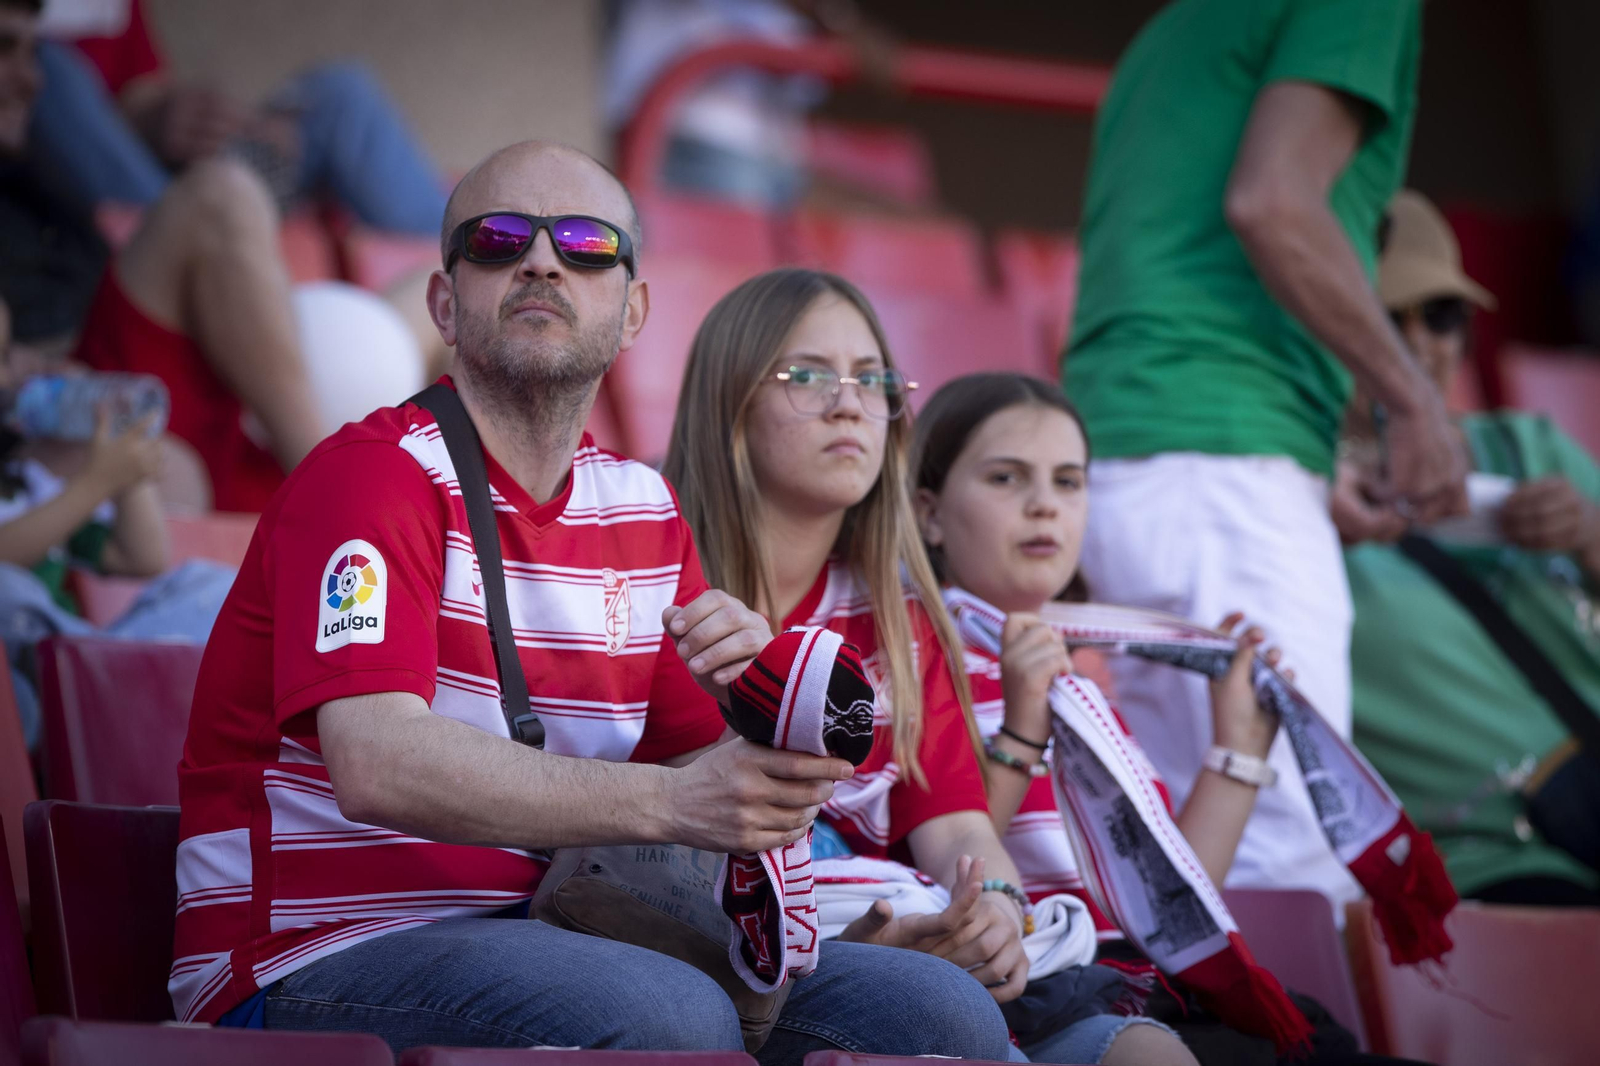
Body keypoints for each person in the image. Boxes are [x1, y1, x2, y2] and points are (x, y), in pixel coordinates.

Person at [171, 140, 1011, 1062]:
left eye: (585, 244)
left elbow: (705, 773)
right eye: (496, 241)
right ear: (444, 303)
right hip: (315, 954)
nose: (541, 260)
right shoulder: (372, 477)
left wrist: (772, 734)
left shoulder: (643, 508)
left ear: (634, 309)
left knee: (941, 1013)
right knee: (668, 1017)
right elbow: (376, 760)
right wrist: (674, 801)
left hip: (566, 928)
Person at [662, 267, 1195, 1066]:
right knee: (938, 1012)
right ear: (729, 400)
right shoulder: (652, 574)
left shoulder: (900, 620)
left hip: (905, 952)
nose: (849, 403)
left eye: (872, 379)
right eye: (807, 376)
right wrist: (868, 942)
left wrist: (997, 912)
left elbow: (957, 829)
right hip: (714, 956)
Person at [1062, 0, 1463, 913]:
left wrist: (1313, 468)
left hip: (1126, 464)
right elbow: (1273, 203)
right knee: (1293, 860)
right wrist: (1412, 400)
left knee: (1183, 860)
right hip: (1227, 477)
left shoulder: (1171, 28)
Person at [911, 372, 1402, 1066]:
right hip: (1044, 999)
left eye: (1068, 482)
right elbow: (943, 866)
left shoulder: (1083, 684)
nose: (1045, 506)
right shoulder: (919, 663)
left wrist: (1238, 743)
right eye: (1005, 479)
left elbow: (1166, 908)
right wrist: (1022, 724)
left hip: (1147, 986)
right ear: (929, 513)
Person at [1345, 189, 1600, 908]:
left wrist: (1588, 535)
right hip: (1487, 859)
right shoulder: (1297, 502)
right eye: (1384, 318)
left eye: (1443, 313)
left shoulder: (1528, 444)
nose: (1421, 341)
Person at [1, 0, 327, 512]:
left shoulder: (32, 165)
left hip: (120, 383)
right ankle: (340, 494)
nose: (29, 79)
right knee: (219, 197)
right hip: (60, 414)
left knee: (455, 282)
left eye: (29, 52)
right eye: (4, 49)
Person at [29, 0, 446, 234]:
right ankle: (195, 235)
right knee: (44, 64)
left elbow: (141, 92)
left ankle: (468, 258)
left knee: (342, 92)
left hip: (149, 166)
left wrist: (236, 128)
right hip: (112, 196)